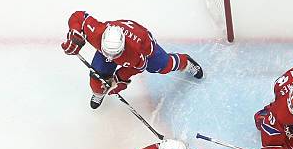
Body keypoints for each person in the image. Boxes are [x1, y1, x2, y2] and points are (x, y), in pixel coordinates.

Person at [60, 11, 204, 109]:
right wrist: (75, 36)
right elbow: (78, 17)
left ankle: (186, 62)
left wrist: (119, 80)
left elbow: (137, 68)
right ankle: (98, 93)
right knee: (97, 82)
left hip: (145, 45)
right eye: (108, 53)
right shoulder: (97, 32)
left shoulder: (134, 54)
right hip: (117, 48)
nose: (111, 58)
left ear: (122, 47)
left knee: (162, 66)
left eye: (115, 55)